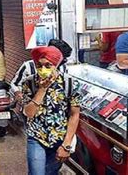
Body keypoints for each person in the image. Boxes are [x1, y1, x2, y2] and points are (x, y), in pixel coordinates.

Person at [23, 46, 80, 175]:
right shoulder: (29, 83)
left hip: (59, 137)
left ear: (56, 65)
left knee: (50, 172)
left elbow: (74, 115)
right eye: (39, 66)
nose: (43, 70)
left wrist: (66, 145)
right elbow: (29, 113)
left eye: (48, 66)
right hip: (36, 136)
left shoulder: (69, 83)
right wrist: (42, 89)